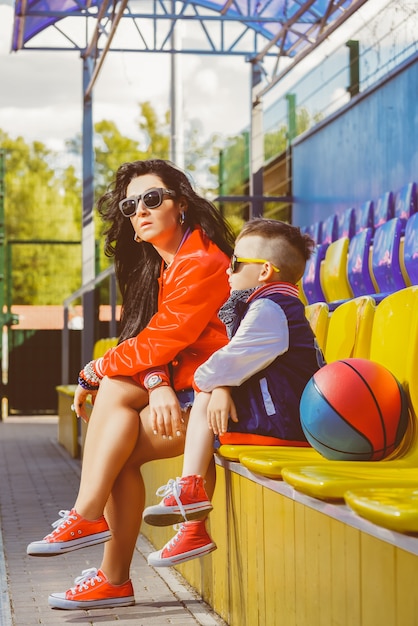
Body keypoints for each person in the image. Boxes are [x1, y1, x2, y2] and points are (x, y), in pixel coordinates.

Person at [26, 158, 235, 611]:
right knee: (115, 446)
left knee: (114, 398)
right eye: (130, 204)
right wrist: (156, 383)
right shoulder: (162, 268)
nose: (140, 209)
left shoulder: (201, 261)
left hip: (221, 403)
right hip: (188, 389)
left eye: (152, 198)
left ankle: (90, 527)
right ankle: (110, 574)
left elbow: (162, 340)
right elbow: (156, 347)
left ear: (180, 205)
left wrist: (92, 370)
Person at [141, 218, 324, 567]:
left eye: (237, 263)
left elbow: (218, 365)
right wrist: (221, 382)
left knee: (203, 395)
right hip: (285, 416)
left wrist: (216, 382)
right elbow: (231, 364)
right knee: (208, 395)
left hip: (284, 424)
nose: (228, 270)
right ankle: (193, 521)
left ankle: (190, 490)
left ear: (265, 271)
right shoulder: (271, 304)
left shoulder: (270, 309)